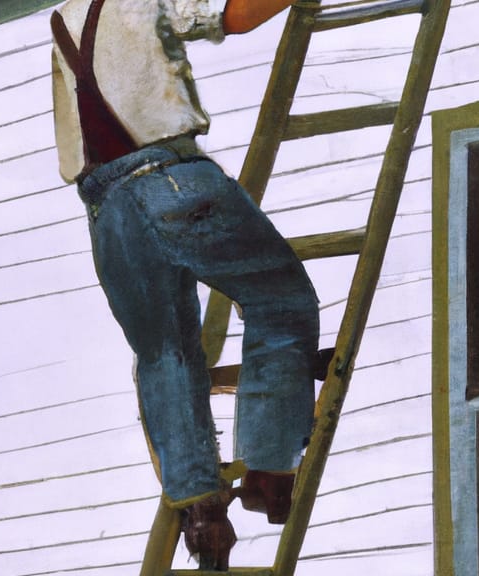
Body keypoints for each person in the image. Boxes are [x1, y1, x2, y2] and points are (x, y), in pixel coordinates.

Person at [49, 0, 319, 569]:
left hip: (105, 211)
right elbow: (236, 13)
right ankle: (269, 469)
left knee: (163, 352)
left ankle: (200, 510)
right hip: (170, 180)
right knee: (279, 299)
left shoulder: (63, 20)